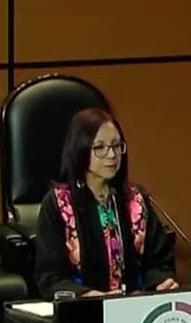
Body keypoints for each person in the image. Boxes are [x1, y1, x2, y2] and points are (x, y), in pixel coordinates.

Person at [35, 109, 178, 299]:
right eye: (100, 147)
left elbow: (160, 263)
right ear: (81, 149)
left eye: (117, 146)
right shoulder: (59, 204)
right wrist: (89, 296)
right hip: (82, 313)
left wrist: (161, 282)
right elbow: (50, 277)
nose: (112, 154)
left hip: (133, 310)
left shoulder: (136, 201)